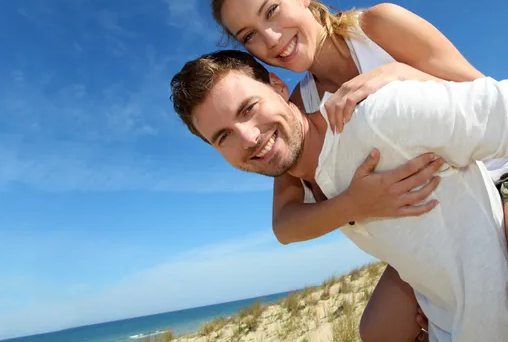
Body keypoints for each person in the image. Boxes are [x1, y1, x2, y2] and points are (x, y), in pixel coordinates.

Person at [208, 0, 508, 341]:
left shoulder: (378, 27)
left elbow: (480, 96)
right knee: (378, 331)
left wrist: (398, 74)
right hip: (430, 222)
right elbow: (284, 223)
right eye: (249, 35)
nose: (270, 39)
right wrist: (353, 205)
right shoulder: (298, 109)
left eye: (272, 11)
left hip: (495, 175)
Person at [169, 49, 508, 342]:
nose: (248, 138)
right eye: (223, 136)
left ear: (278, 86)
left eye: (248, 108)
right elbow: (285, 228)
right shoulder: (322, 187)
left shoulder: (376, 117)